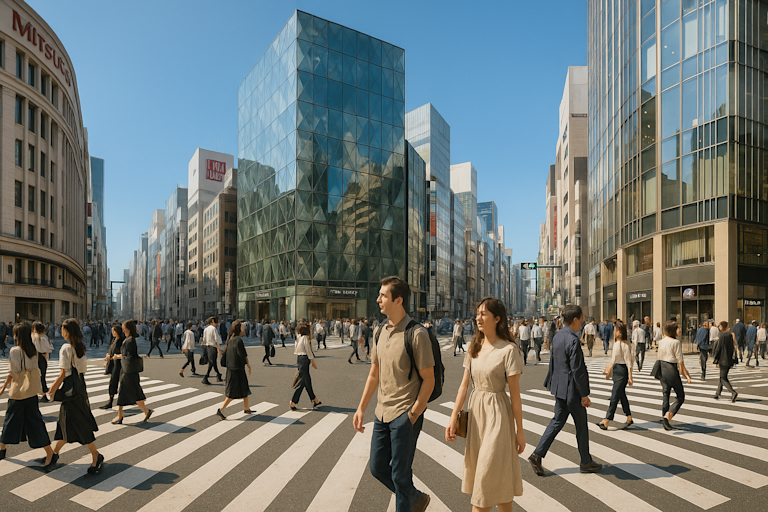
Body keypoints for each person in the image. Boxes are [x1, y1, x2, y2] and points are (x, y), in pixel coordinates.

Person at [353, 276, 434, 512]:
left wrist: (413, 414)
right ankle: (414, 496)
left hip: (404, 414)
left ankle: (408, 499)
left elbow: (428, 380)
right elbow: (374, 374)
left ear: (398, 300)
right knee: (377, 468)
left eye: (383, 295)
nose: (378, 299)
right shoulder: (380, 331)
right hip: (381, 413)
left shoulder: (417, 334)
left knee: (400, 473)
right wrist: (361, 408)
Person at [445, 297, 525, 512]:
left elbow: (515, 396)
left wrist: (520, 431)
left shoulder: (509, 350)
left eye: (483, 314)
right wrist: (454, 416)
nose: (478, 318)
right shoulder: (475, 346)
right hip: (477, 415)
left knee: (485, 479)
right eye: (477, 313)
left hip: (498, 415)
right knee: (498, 483)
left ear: (497, 318)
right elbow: (464, 386)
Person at [528, 304, 601, 476]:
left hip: (560, 389)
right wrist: (584, 395)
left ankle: (537, 454)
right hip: (572, 391)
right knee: (581, 426)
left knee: (557, 421)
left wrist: (551, 383)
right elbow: (578, 370)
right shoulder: (573, 340)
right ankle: (585, 461)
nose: (583, 321)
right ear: (575, 319)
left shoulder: (559, 336)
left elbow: (554, 364)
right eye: (582, 318)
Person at [47, 319, 104, 475]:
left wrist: (51, 390)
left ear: (67, 331)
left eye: (63, 329)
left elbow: (63, 374)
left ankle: (96, 456)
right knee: (65, 424)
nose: (61, 332)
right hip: (79, 390)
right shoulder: (80, 346)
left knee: (80, 425)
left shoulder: (66, 348)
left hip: (71, 392)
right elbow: (81, 371)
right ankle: (53, 454)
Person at [0, 322, 56, 469]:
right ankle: (50, 452)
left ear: (17, 335)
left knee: (10, 420)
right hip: (31, 392)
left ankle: (2, 448)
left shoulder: (15, 351)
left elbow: (13, 373)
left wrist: (4, 386)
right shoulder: (33, 350)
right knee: (35, 423)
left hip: (18, 392)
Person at [109, 320, 152, 425]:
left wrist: (117, 356)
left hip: (127, 372)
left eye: (123, 327)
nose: (122, 329)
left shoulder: (129, 341)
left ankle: (120, 416)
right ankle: (146, 411)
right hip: (131, 371)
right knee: (136, 393)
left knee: (123, 393)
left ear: (127, 329)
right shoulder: (130, 340)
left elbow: (128, 356)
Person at [597, 320, 634, 430]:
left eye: (616, 330)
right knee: (621, 396)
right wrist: (609, 371)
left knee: (614, 396)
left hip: (622, 372)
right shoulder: (617, 344)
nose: (614, 332)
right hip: (617, 371)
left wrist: (630, 376)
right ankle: (629, 417)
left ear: (620, 332)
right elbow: (613, 360)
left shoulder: (624, 345)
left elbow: (629, 361)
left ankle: (607, 420)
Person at [657, 320, 692, 430]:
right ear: (673, 330)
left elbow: (659, 356)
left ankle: (664, 417)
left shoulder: (661, 341)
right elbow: (680, 361)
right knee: (680, 396)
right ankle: (668, 416)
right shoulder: (676, 342)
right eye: (678, 328)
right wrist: (687, 375)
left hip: (662, 368)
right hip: (671, 369)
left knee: (666, 393)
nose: (680, 330)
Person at [217, 321, 253, 419]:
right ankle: (221, 409)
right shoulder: (238, 340)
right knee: (233, 392)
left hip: (231, 367)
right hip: (237, 369)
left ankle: (246, 407)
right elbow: (242, 353)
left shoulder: (230, 339)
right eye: (242, 327)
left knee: (244, 387)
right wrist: (248, 364)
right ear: (239, 329)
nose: (243, 329)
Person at [290, 321, 321, 410]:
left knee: (307, 380)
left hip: (299, 358)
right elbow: (308, 350)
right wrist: (313, 362)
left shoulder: (299, 337)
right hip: (305, 358)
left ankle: (315, 400)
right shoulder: (306, 338)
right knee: (303, 381)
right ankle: (293, 401)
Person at [99, 325, 125, 410]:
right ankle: (111, 401)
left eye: (114, 331)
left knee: (115, 382)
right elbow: (112, 352)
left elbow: (120, 353)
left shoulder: (121, 340)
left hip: (119, 364)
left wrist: (112, 357)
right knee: (114, 382)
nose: (112, 332)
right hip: (113, 364)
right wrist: (108, 357)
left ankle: (111, 402)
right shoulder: (114, 339)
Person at [712, 321, 738, 402]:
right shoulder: (729, 335)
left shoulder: (721, 335)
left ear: (721, 327)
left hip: (722, 359)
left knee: (723, 378)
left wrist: (715, 358)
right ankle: (717, 393)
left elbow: (718, 348)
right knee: (722, 376)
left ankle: (733, 392)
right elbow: (733, 347)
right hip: (729, 359)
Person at [31, 321, 54, 403]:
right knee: (42, 376)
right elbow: (50, 348)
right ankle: (44, 394)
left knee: (35, 376)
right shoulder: (44, 337)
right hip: (42, 356)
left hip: (35, 357)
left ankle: (38, 394)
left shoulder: (34, 337)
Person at [201, 317, 224, 385]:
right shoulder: (213, 329)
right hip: (213, 347)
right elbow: (216, 339)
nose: (218, 322)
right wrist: (219, 349)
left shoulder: (206, 329)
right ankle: (206, 377)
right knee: (212, 363)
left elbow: (204, 339)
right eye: (217, 321)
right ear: (213, 321)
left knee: (213, 362)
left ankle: (218, 375)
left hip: (207, 347)